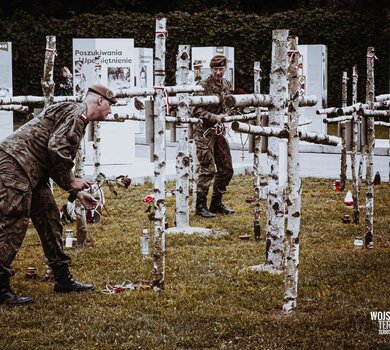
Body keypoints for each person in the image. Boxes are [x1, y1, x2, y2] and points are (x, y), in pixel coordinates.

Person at [0, 84, 117, 305]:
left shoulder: (74, 113)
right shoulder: (77, 113)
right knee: (13, 223)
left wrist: (75, 191)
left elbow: (54, 156)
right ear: (100, 101)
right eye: (110, 105)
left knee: (49, 218)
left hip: (32, 170)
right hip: (16, 165)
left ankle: (62, 278)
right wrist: (72, 180)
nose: (110, 111)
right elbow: (57, 149)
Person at [192, 55, 235, 218]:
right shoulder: (203, 86)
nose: (218, 72)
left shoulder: (226, 84)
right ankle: (200, 206)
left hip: (218, 132)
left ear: (225, 69)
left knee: (226, 168)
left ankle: (216, 203)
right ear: (210, 70)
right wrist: (214, 117)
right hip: (204, 132)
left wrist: (226, 115)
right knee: (208, 169)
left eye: (221, 69)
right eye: (215, 69)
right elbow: (195, 110)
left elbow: (228, 103)